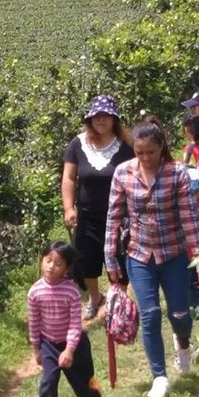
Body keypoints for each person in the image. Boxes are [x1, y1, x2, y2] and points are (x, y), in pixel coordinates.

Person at [104, 120, 199, 397]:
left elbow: (189, 216)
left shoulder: (176, 174)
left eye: (151, 152)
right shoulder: (123, 173)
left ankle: (182, 342)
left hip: (174, 254)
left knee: (179, 313)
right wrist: (111, 258)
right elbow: (113, 217)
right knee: (149, 315)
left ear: (161, 148)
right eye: (140, 153)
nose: (146, 158)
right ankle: (159, 376)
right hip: (139, 255)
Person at [61, 95, 134, 320]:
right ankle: (94, 298)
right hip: (86, 215)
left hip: (119, 216)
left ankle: (118, 302)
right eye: (96, 116)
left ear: (114, 119)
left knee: (120, 259)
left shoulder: (125, 146)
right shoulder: (78, 144)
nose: (101, 121)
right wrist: (68, 208)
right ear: (90, 119)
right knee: (84, 259)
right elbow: (69, 178)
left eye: (106, 116)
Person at [27, 241, 106, 397]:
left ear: (67, 268)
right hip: (49, 345)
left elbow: (74, 325)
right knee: (48, 382)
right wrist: (37, 349)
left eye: (58, 263)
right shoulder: (35, 292)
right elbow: (34, 323)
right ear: (42, 261)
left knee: (83, 383)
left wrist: (69, 350)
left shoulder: (70, 291)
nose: (51, 266)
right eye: (48, 261)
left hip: (75, 345)